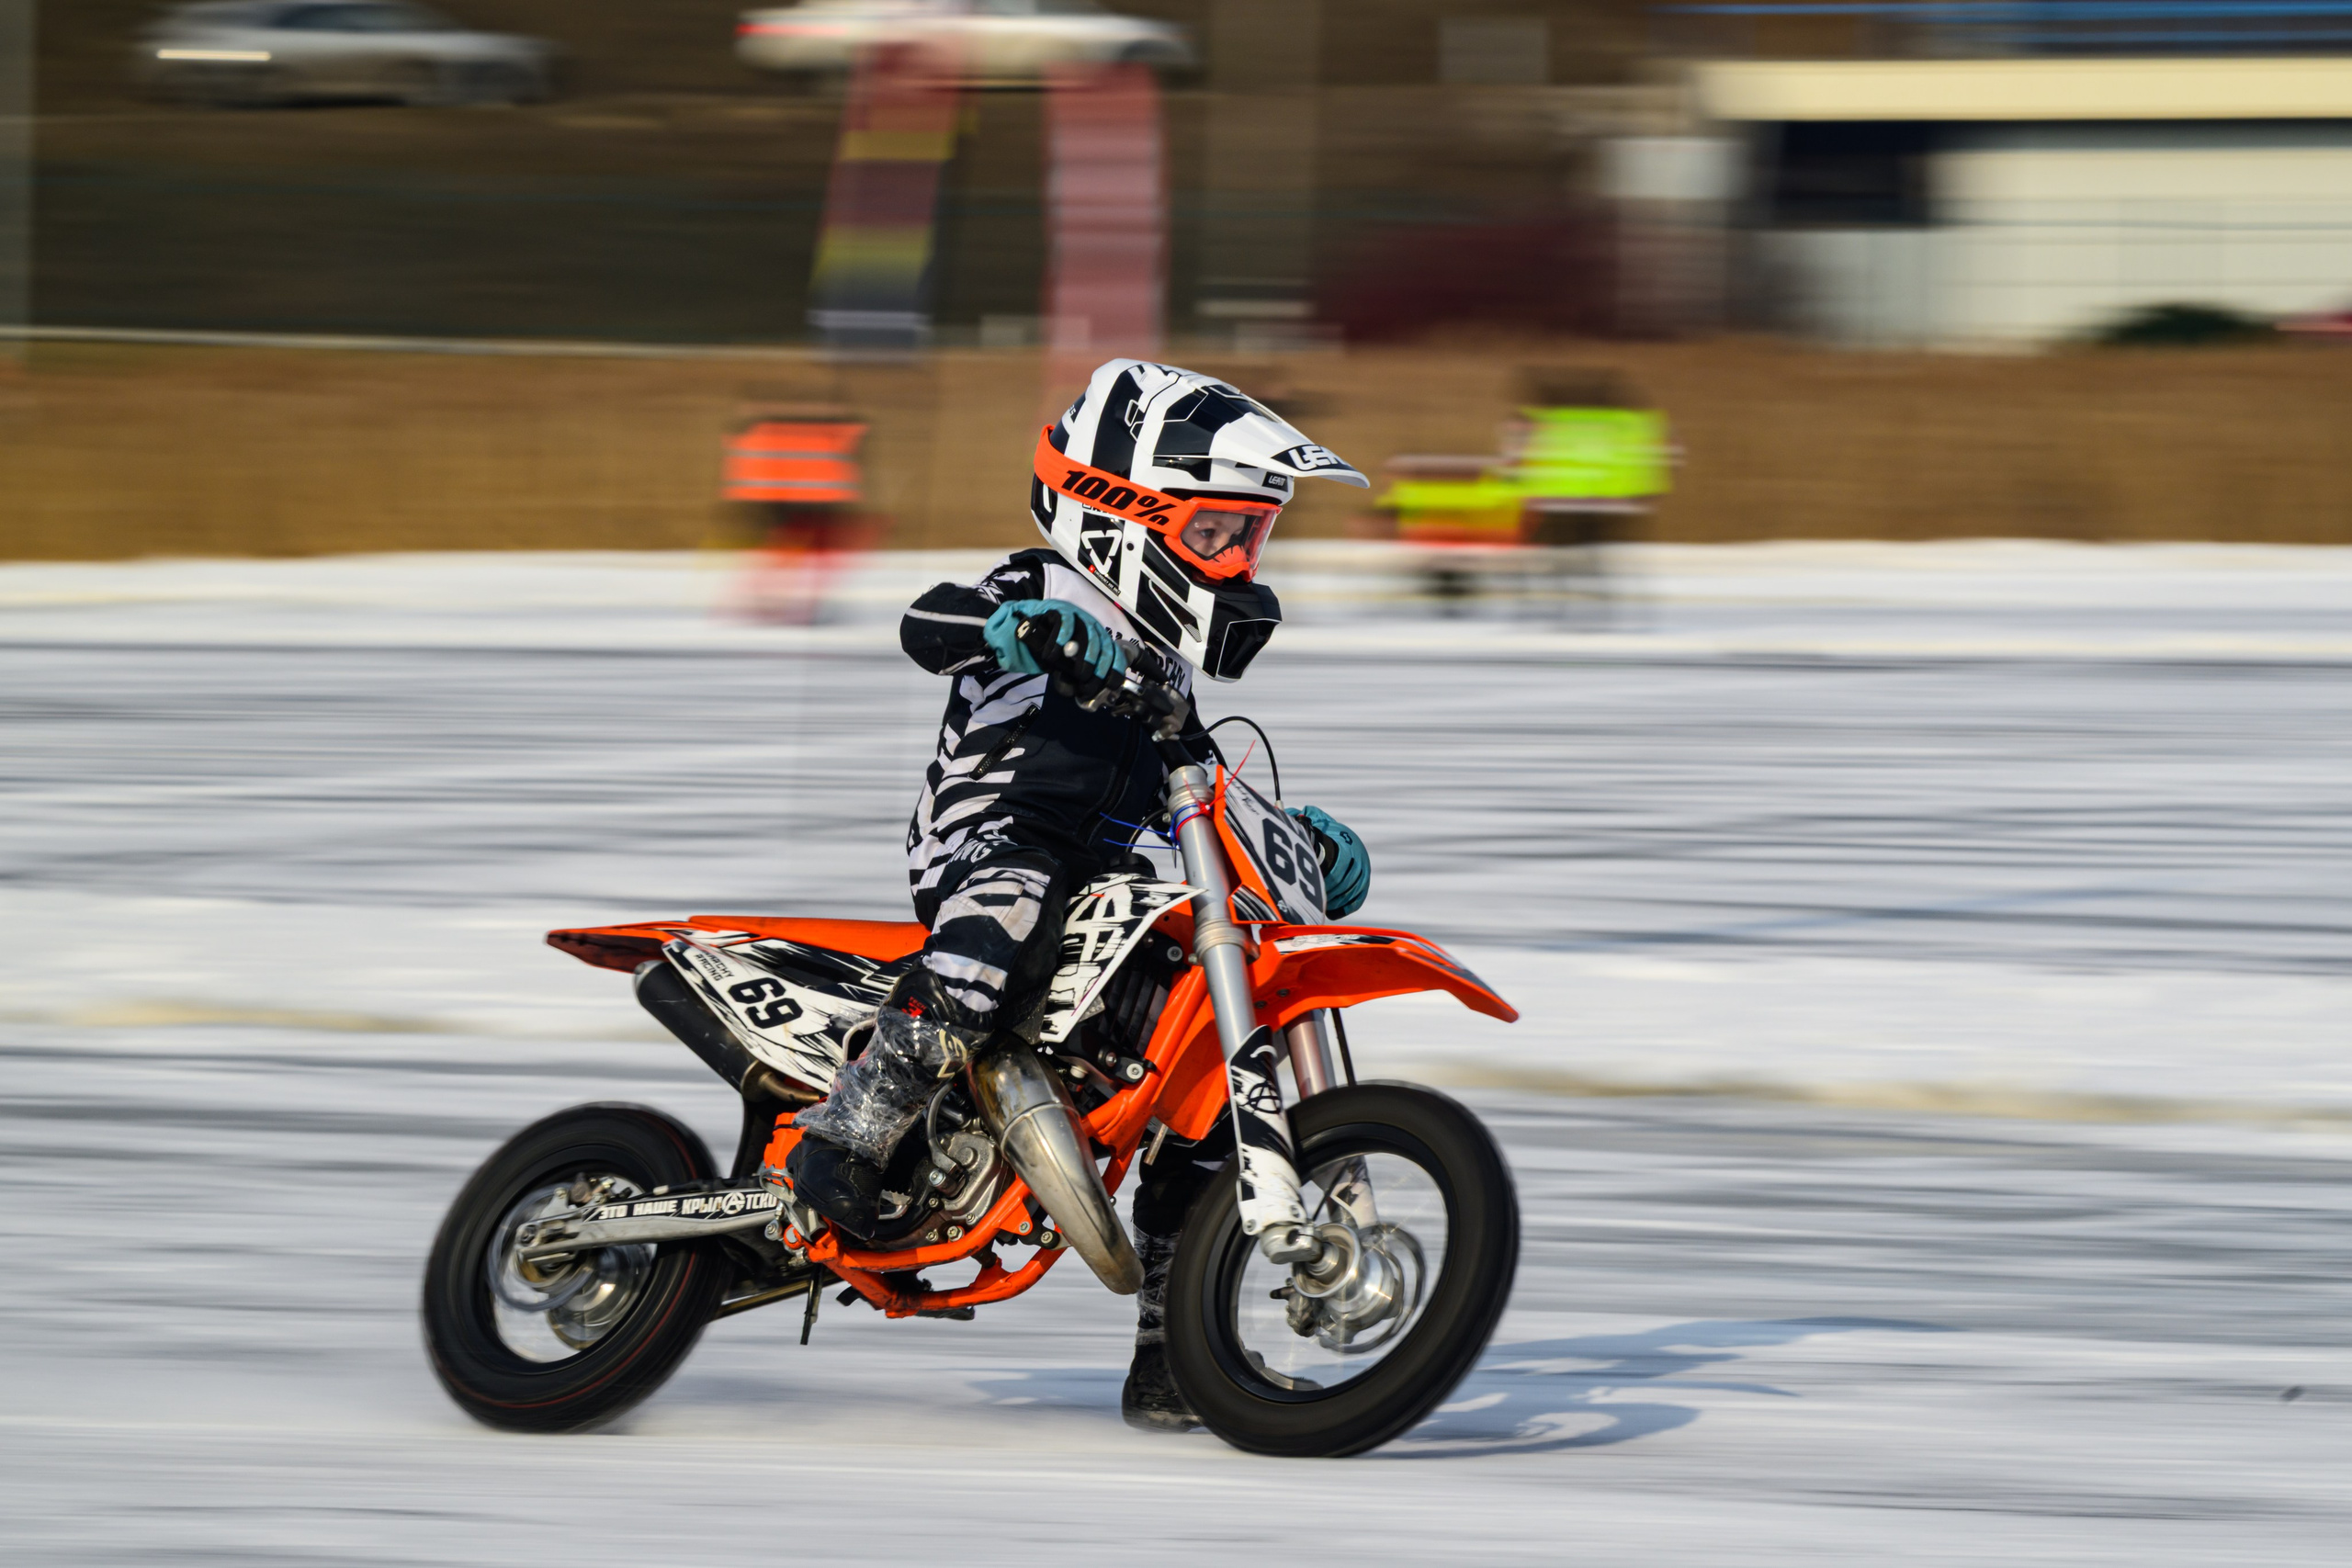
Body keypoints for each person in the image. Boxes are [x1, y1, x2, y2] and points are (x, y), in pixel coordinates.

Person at [785, 358, 1374, 1432]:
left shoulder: (1167, 670)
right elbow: (929, 621)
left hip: (1100, 877)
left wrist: (1298, 841)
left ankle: (1177, 1349)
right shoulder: (1044, 589)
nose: (1239, 562)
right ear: (1119, 516)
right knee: (1015, 900)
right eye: (1216, 536)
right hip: (990, 839)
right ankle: (855, 1126)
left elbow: (1202, 792)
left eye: (1252, 538)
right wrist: (1011, 631)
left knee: (1200, 1053)